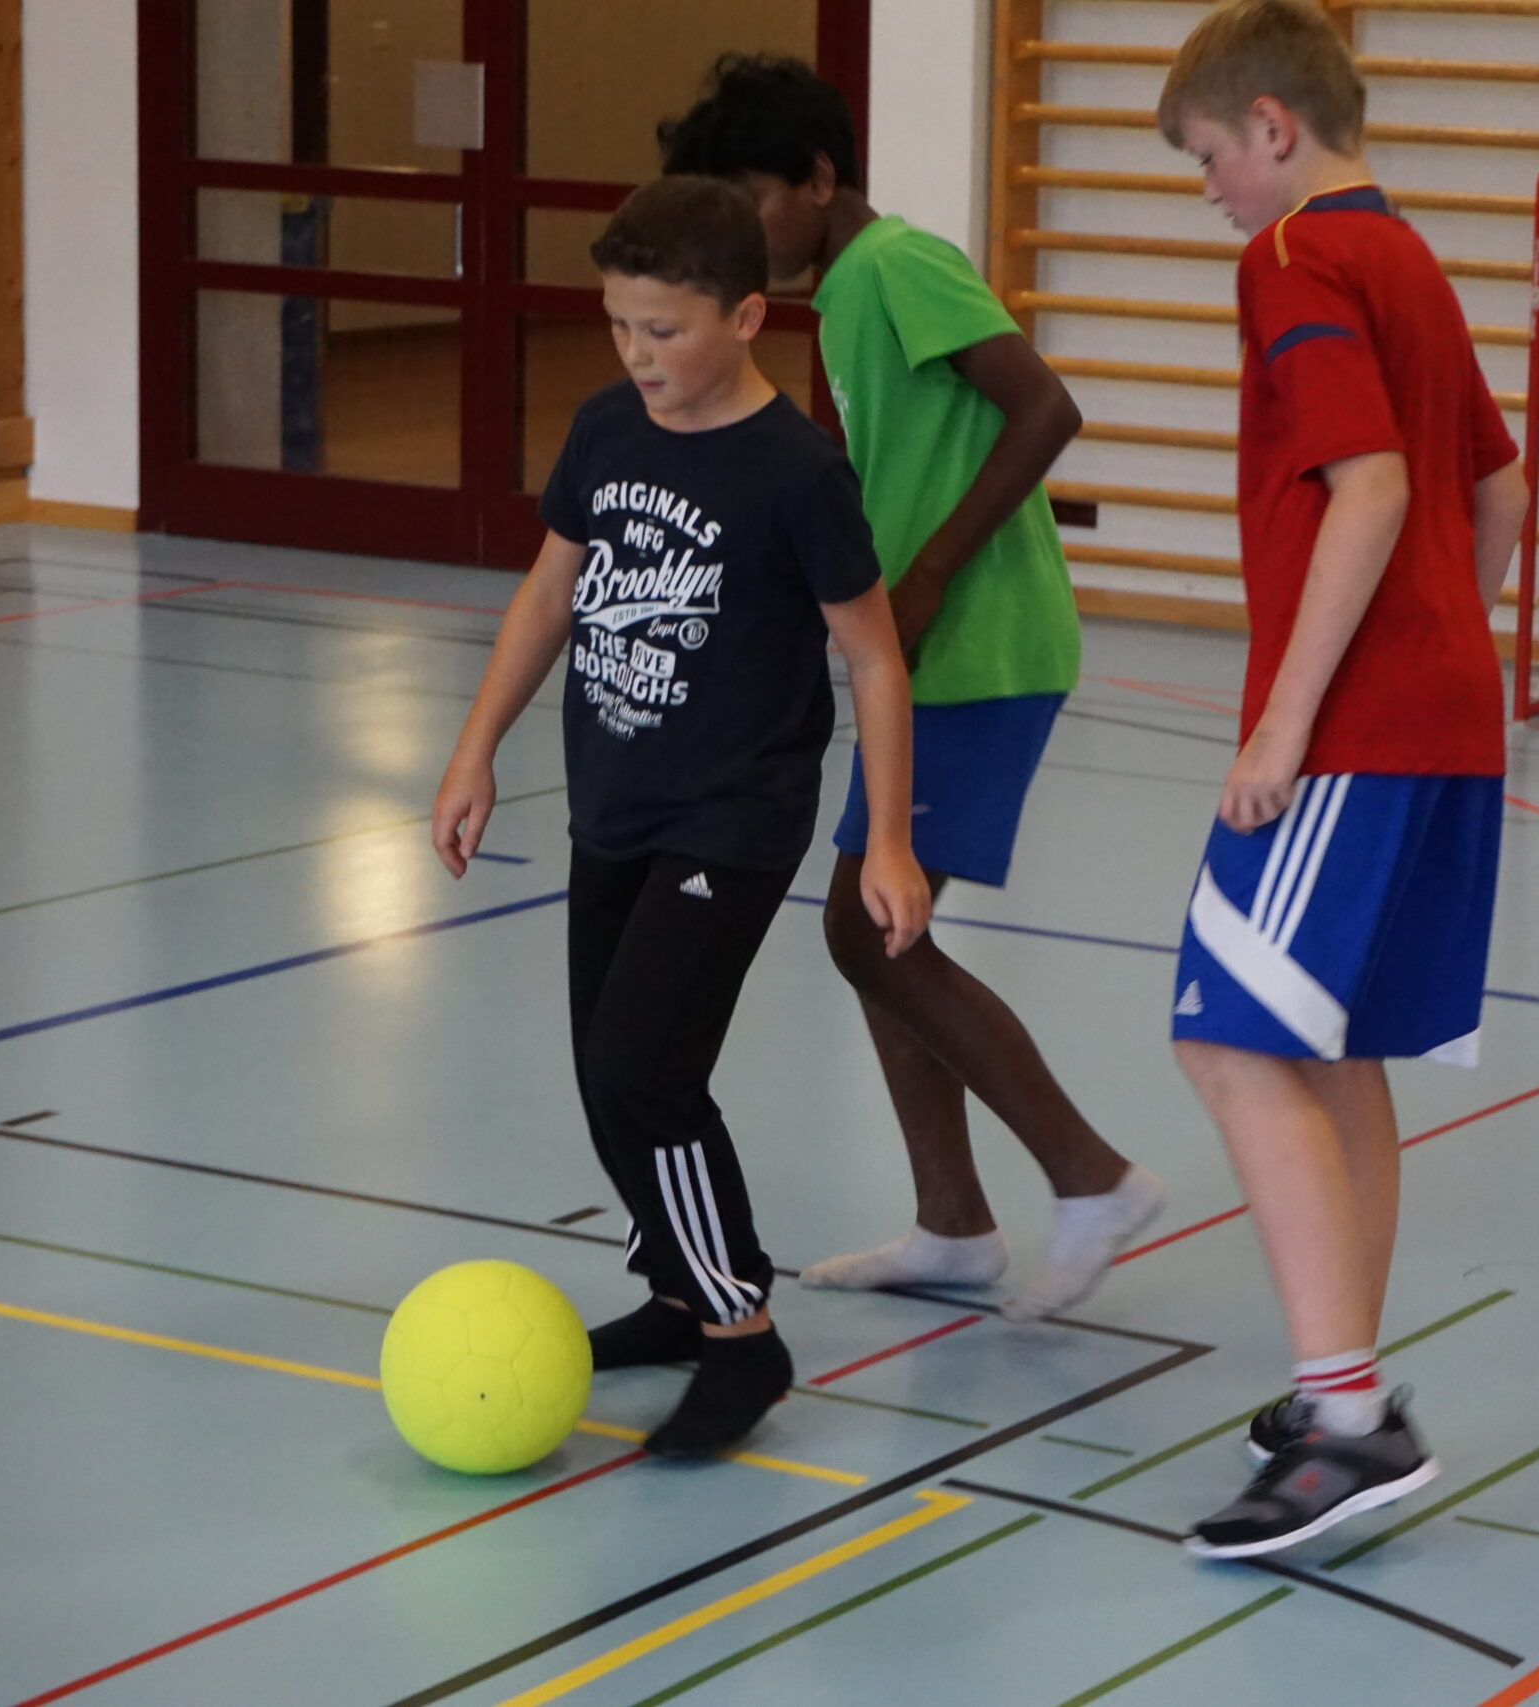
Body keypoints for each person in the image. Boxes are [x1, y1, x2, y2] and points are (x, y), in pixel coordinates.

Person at [428, 176, 929, 1458]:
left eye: (663, 330)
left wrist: (886, 837)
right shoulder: (607, 429)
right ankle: (674, 1288)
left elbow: (875, 657)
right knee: (606, 1071)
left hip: (732, 820)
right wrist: (474, 750)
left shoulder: (796, 473)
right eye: (618, 325)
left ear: (746, 317)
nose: (636, 355)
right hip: (616, 803)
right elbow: (550, 594)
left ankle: (739, 1333)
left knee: (643, 1071)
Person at [659, 56, 1163, 1321]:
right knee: (882, 932)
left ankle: (1090, 1177)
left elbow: (1044, 408)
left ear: (819, 179)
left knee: (861, 928)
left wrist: (930, 574)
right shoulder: (841, 299)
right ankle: (951, 1223)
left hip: (985, 650)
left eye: (751, 200)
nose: (741, 232)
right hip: (926, 655)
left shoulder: (897, 265)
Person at [1154, 0, 1530, 1558]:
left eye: (1208, 157)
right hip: (1445, 714)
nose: (1209, 192)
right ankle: (1342, 1385)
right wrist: (1444, 638)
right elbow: (1496, 487)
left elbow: (1371, 484)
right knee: (1334, 1051)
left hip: (1357, 727)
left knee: (1228, 1037)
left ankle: (1349, 1411)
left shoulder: (1296, 255)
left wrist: (1287, 723)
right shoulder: (1410, 257)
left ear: (1273, 127)